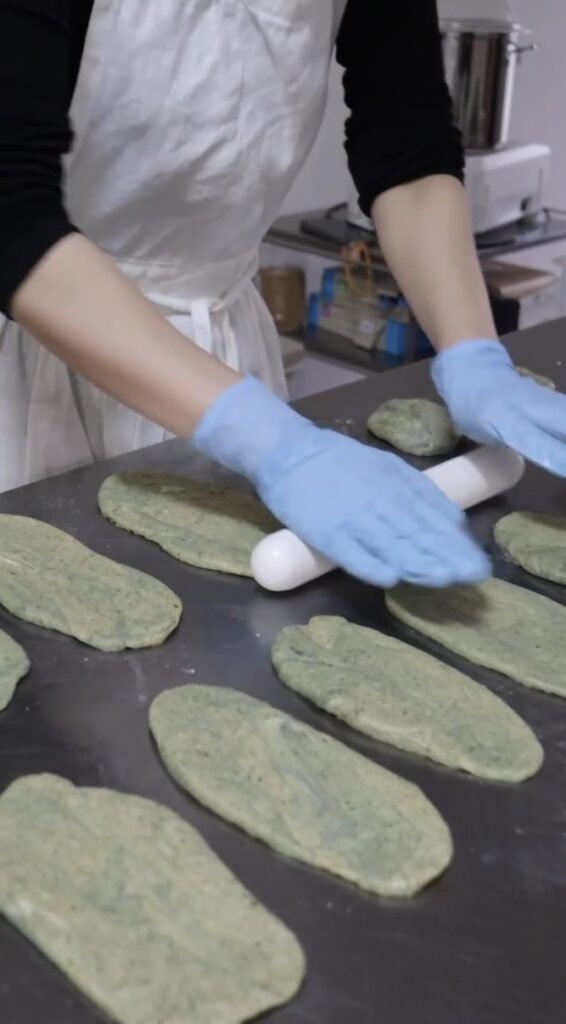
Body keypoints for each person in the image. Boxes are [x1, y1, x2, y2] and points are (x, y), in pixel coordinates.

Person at [1, 0, 565, 591]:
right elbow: (11, 211)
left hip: (227, 352)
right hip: (43, 338)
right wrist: (269, 441)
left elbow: (408, 143)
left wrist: (473, 353)